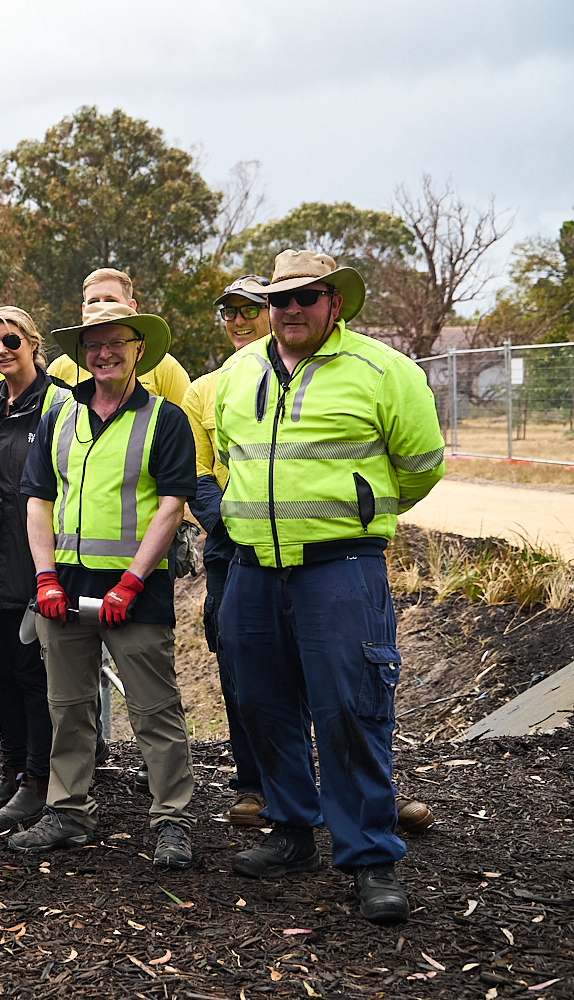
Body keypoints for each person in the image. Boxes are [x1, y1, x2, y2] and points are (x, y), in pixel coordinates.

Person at [213, 250, 446, 924]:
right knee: (261, 701)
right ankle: (290, 832)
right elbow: (228, 457)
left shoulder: (384, 371)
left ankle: (370, 857)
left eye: (305, 297)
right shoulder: (236, 374)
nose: (291, 310)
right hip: (254, 569)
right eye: (279, 299)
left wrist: (358, 508)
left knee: (351, 710)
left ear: (334, 302)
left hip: (340, 568)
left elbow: (421, 466)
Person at [14, 301, 198, 869]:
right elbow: (38, 502)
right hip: (62, 589)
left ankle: (173, 819)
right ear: (81, 353)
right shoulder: (59, 416)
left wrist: (131, 582)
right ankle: (69, 810)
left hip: (135, 593)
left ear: (138, 348)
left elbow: (171, 507)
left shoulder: (164, 419)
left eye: (116, 341)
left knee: (154, 709)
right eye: (94, 344)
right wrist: (44, 575)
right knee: (67, 705)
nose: (104, 352)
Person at [0, 307, 69, 831]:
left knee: (35, 675)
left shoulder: (59, 403)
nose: (1, 351)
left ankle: (41, 779)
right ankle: (10, 769)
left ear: (32, 342)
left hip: (37, 559)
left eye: (10, 341)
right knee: (4, 672)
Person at [180, 275, 271, 826]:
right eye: (228, 312)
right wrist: (237, 531)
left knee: (324, 673)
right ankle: (256, 785)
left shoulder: (300, 376)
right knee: (240, 669)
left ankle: (349, 787)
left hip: (304, 551)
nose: (238, 321)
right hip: (230, 552)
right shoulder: (203, 390)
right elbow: (198, 476)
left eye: (248, 310)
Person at [47, 268, 191, 403]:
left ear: (131, 306)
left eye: (111, 301)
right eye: (93, 302)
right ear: (83, 310)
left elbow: (182, 422)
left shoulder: (166, 367)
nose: (102, 308)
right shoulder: (59, 369)